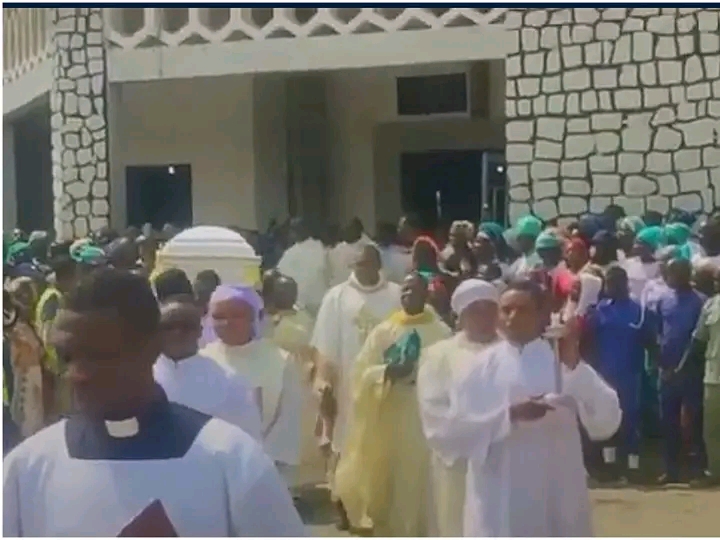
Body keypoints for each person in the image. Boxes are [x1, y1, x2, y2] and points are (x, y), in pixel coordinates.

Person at [3, 269, 304, 536]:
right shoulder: (27, 467)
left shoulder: (233, 461)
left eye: (99, 356)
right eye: (68, 357)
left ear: (151, 348)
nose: (76, 375)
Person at [422, 279, 621, 536]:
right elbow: (448, 434)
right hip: (498, 493)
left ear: (542, 315)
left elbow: (608, 420)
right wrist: (508, 416)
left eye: (522, 309)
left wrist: (575, 369)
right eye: (506, 310)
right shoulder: (477, 369)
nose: (511, 317)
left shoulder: (562, 362)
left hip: (557, 490)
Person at [334, 272, 451, 536]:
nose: (408, 295)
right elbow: (360, 372)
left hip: (425, 417)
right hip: (390, 414)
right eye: (404, 291)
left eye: (414, 290)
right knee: (390, 482)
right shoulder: (385, 330)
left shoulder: (441, 331)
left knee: (420, 484)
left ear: (426, 294)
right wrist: (386, 373)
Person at [311, 244, 402, 528]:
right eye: (357, 264)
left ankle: (381, 505)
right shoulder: (336, 297)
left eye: (368, 263)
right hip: (348, 384)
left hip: (387, 383)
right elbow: (325, 346)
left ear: (378, 265)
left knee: (383, 443)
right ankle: (345, 505)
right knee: (346, 443)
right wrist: (324, 381)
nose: (363, 269)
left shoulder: (396, 295)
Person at [417, 279, 500, 537]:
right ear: (461, 316)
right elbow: (435, 415)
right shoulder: (438, 356)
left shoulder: (511, 351)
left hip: (507, 462)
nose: (485, 316)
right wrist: (482, 432)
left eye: (491, 309)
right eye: (476, 310)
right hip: (458, 466)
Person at [201, 285, 303, 488]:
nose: (227, 323)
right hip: (209, 469)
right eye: (219, 316)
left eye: (237, 315)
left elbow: (290, 420)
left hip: (265, 468)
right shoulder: (202, 360)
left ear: (254, 317)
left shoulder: (280, 361)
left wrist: (259, 460)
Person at [153, 295, 263, 441]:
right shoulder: (137, 379)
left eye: (186, 326)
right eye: (168, 327)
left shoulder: (229, 381)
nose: (177, 333)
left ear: (200, 331)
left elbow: (249, 440)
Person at [584, 266, 656, 481]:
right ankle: (610, 466)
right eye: (608, 283)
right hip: (604, 375)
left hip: (631, 375)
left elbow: (650, 342)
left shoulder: (640, 311)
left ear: (625, 283)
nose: (610, 287)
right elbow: (589, 342)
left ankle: (632, 467)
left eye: (615, 282)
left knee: (630, 420)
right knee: (607, 420)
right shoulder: (598, 311)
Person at [263, 274, 324, 487]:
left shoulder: (305, 318)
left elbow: (314, 346)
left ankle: (297, 486)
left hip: (301, 382)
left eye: (291, 291)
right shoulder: (263, 320)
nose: (288, 296)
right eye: (283, 291)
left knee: (299, 436)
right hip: (272, 382)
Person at [652, 257, 708, 484]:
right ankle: (671, 470)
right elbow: (656, 334)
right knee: (668, 421)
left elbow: (698, 340)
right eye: (669, 273)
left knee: (695, 421)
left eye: (675, 272)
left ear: (687, 274)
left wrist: (681, 367)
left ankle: (698, 470)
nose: (671, 277)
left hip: (691, 371)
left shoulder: (700, 302)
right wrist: (662, 365)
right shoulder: (663, 299)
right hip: (667, 371)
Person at [683, 267, 720, 484]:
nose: (716, 283)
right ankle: (715, 472)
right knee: (712, 430)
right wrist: (683, 367)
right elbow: (698, 340)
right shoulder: (711, 305)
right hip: (714, 376)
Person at [35, 241, 76, 422]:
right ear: (67, 276)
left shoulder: (55, 295)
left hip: (55, 366)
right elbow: (48, 335)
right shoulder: (53, 299)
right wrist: (60, 367)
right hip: (55, 367)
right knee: (61, 414)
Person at [5, 278, 45, 438]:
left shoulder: (27, 324)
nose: (26, 298)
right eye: (20, 294)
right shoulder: (15, 330)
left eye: (29, 293)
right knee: (26, 423)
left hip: (34, 378)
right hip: (23, 379)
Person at [276, 217, 330, 317]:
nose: (294, 233)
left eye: (298, 229)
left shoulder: (320, 248)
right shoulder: (290, 253)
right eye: (293, 230)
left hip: (318, 303)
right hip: (299, 305)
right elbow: (280, 275)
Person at [329, 218, 373, 287]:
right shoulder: (336, 250)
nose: (347, 231)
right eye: (346, 228)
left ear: (359, 231)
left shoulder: (369, 249)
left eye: (352, 229)